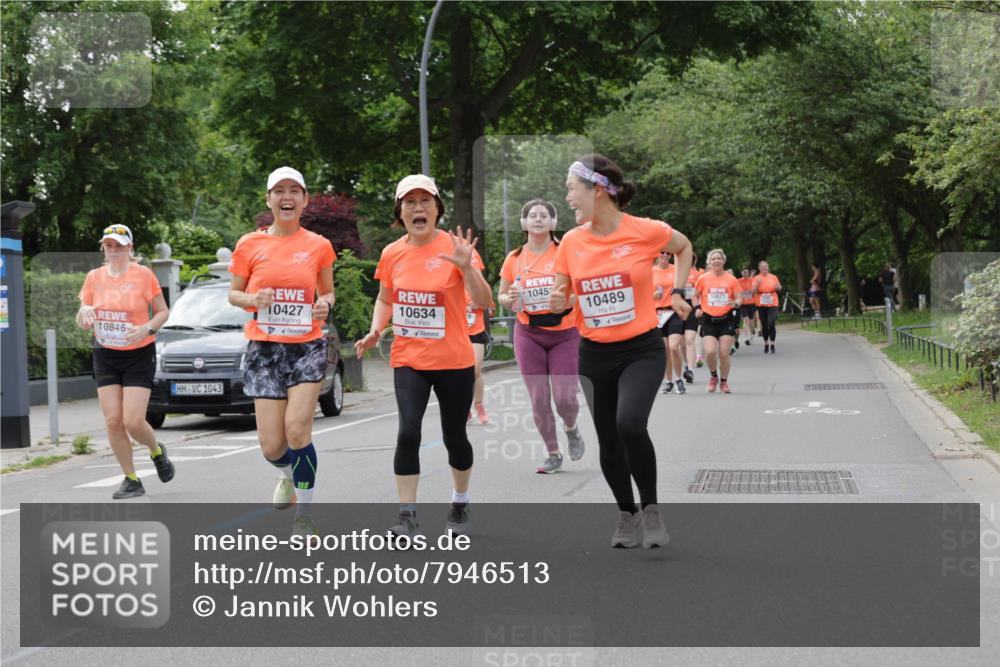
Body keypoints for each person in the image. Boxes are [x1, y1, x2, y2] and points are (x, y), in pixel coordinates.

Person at [550, 154, 693, 549]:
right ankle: (626, 515)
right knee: (609, 440)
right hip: (594, 354)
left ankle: (651, 510)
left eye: (571, 189)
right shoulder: (572, 242)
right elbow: (561, 297)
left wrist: (678, 291)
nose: (567, 198)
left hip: (641, 349)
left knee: (630, 423)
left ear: (597, 191)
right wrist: (557, 299)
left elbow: (683, 247)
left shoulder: (645, 231)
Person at [354, 174, 493, 538]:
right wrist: (374, 329)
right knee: (408, 431)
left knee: (454, 438)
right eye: (409, 202)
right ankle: (407, 516)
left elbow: (484, 302)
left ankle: (460, 502)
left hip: (454, 360)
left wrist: (465, 267)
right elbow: (386, 297)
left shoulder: (458, 247)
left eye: (425, 201)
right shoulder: (392, 253)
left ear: (437, 209)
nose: (418, 208)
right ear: (400, 212)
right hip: (409, 360)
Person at [228, 166, 336, 537]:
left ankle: (304, 515)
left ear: (305, 200)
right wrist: (252, 298)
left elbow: (328, 292)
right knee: (271, 444)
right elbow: (234, 293)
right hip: (264, 348)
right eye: (279, 191)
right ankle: (288, 475)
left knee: (297, 431)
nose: (286, 197)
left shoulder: (319, 245)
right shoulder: (249, 244)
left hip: (306, 346)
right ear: (268, 199)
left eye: (294, 191)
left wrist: (325, 304)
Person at [76, 224, 174, 499]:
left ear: (130, 248)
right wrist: (83, 314)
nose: (113, 250)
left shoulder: (143, 275)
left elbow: (162, 312)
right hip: (106, 354)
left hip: (138, 354)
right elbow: (83, 318)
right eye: (109, 245)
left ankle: (156, 451)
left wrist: (147, 329)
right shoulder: (93, 278)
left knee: (132, 420)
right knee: (112, 421)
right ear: (103, 249)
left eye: (119, 245)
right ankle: (131, 479)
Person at [498, 198, 584, 474]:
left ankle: (570, 428)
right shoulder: (514, 258)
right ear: (524, 223)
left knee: (565, 397)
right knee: (538, 397)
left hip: (565, 333)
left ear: (554, 222)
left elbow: (581, 290)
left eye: (543, 215)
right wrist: (508, 299)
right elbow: (500, 295)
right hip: (528, 333)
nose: (537, 219)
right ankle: (553, 452)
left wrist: (565, 299)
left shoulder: (566, 252)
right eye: (532, 215)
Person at [694, 249, 741, 393]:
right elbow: (694, 295)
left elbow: (739, 298)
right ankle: (713, 376)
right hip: (708, 319)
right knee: (709, 352)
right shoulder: (703, 278)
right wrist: (697, 307)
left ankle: (724, 382)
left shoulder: (731, 279)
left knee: (724, 353)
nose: (716, 261)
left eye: (718, 258)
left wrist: (735, 303)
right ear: (709, 262)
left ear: (723, 261)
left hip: (726, 319)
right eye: (713, 259)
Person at [652, 251, 686, 394]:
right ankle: (669, 381)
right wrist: (653, 295)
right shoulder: (650, 271)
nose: (665, 255)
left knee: (673, 347)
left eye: (668, 253)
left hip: (673, 312)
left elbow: (683, 289)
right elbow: (640, 293)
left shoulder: (676, 270)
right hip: (657, 314)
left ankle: (679, 379)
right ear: (657, 254)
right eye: (662, 253)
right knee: (665, 350)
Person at [466, 274, 491, 425]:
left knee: (475, 370)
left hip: (475, 331)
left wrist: (478, 304)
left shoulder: (474, 281)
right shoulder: (448, 284)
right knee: (457, 374)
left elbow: (488, 302)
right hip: (456, 334)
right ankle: (464, 409)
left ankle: (479, 405)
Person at [752, 260, 782, 353]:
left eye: (766, 266)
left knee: (771, 323)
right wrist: (756, 286)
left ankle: (772, 344)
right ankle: (766, 343)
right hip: (761, 303)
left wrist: (778, 288)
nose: (764, 268)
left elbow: (780, 288)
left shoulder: (773, 277)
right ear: (759, 268)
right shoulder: (756, 278)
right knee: (764, 325)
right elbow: (753, 292)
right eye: (762, 267)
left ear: (768, 267)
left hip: (773, 302)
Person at [737, 268, 757, 345]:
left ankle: (752, 334)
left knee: (751, 321)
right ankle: (747, 337)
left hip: (751, 303)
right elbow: (737, 290)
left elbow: (754, 291)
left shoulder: (752, 281)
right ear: (741, 273)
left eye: (746, 272)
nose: (744, 273)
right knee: (746, 320)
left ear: (748, 273)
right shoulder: (738, 281)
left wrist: (751, 291)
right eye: (743, 272)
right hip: (742, 304)